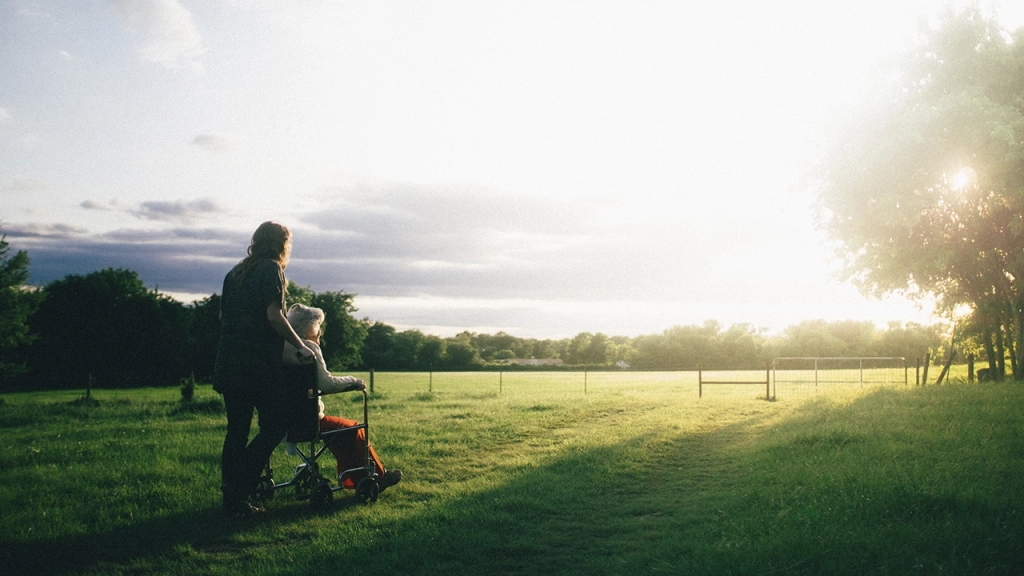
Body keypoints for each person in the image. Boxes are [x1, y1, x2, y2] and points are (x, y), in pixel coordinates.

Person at [213, 221, 315, 516]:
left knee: (237, 431)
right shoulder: (271, 269)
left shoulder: (234, 273)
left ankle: (232, 498)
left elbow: (223, 317)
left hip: (229, 362)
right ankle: (239, 486)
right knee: (275, 425)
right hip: (256, 365)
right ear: (281, 244)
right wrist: (300, 345)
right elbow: (274, 316)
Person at [282, 303, 403, 492]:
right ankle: (378, 476)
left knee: (340, 430)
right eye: (318, 327)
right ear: (309, 328)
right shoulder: (309, 348)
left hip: (282, 421)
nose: (320, 332)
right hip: (307, 421)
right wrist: (353, 381)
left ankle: (353, 479)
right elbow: (327, 384)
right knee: (353, 428)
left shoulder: (282, 348)